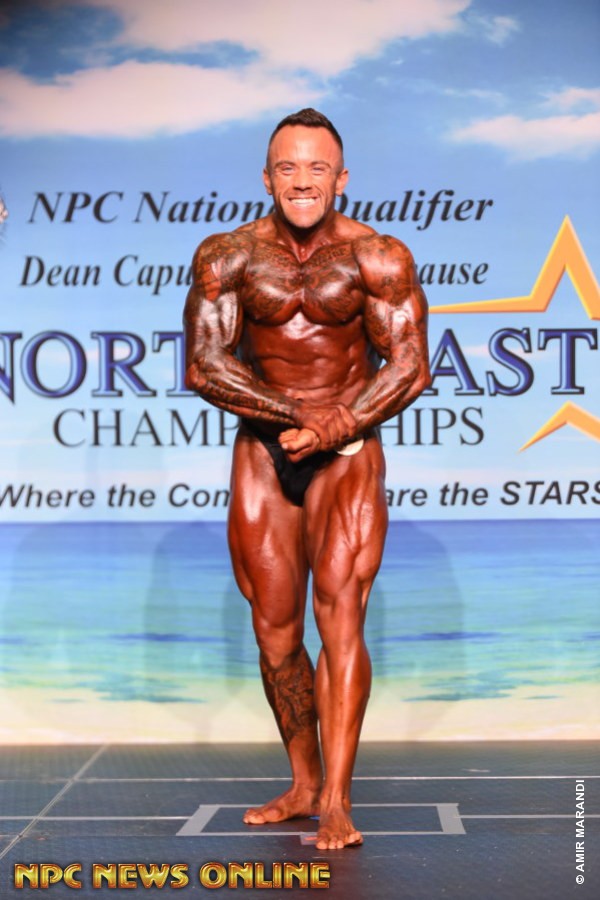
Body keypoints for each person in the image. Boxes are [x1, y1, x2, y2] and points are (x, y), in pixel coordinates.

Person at [184, 108, 430, 850]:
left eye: (316, 167)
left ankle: (338, 802)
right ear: (266, 178)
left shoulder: (378, 256)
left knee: (340, 613)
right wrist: (297, 414)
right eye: (287, 167)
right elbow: (205, 365)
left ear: (341, 178)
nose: (301, 180)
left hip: (347, 450)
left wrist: (337, 423)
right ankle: (304, 782)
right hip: (265, 446)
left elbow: (410, 366)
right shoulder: (227, 255)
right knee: (274, 629)